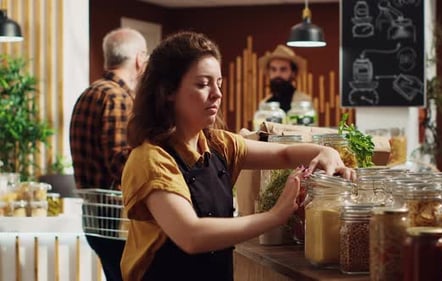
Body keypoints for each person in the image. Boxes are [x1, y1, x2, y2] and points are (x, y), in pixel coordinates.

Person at [119, 31, 355, 281]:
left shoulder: (217, 144)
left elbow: (285, 153)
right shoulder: (150, 159)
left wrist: (325, 151)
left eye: (219, 83)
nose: (217, 94)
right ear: (168, 91)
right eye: (202, 84)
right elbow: (192, 235)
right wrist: (275, 216)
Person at [69, 27, 148, 281]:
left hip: (94, 218)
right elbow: (121, 163)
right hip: (116, 221)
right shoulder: (117, 97)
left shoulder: (89, 92)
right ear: (139, 59)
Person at [258, 44, 312, 112]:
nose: (277, 74)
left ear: (293, 73)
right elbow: (261, 123)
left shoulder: (304, 102)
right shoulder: (264, 104)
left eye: (283, 69)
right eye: (273, 69)